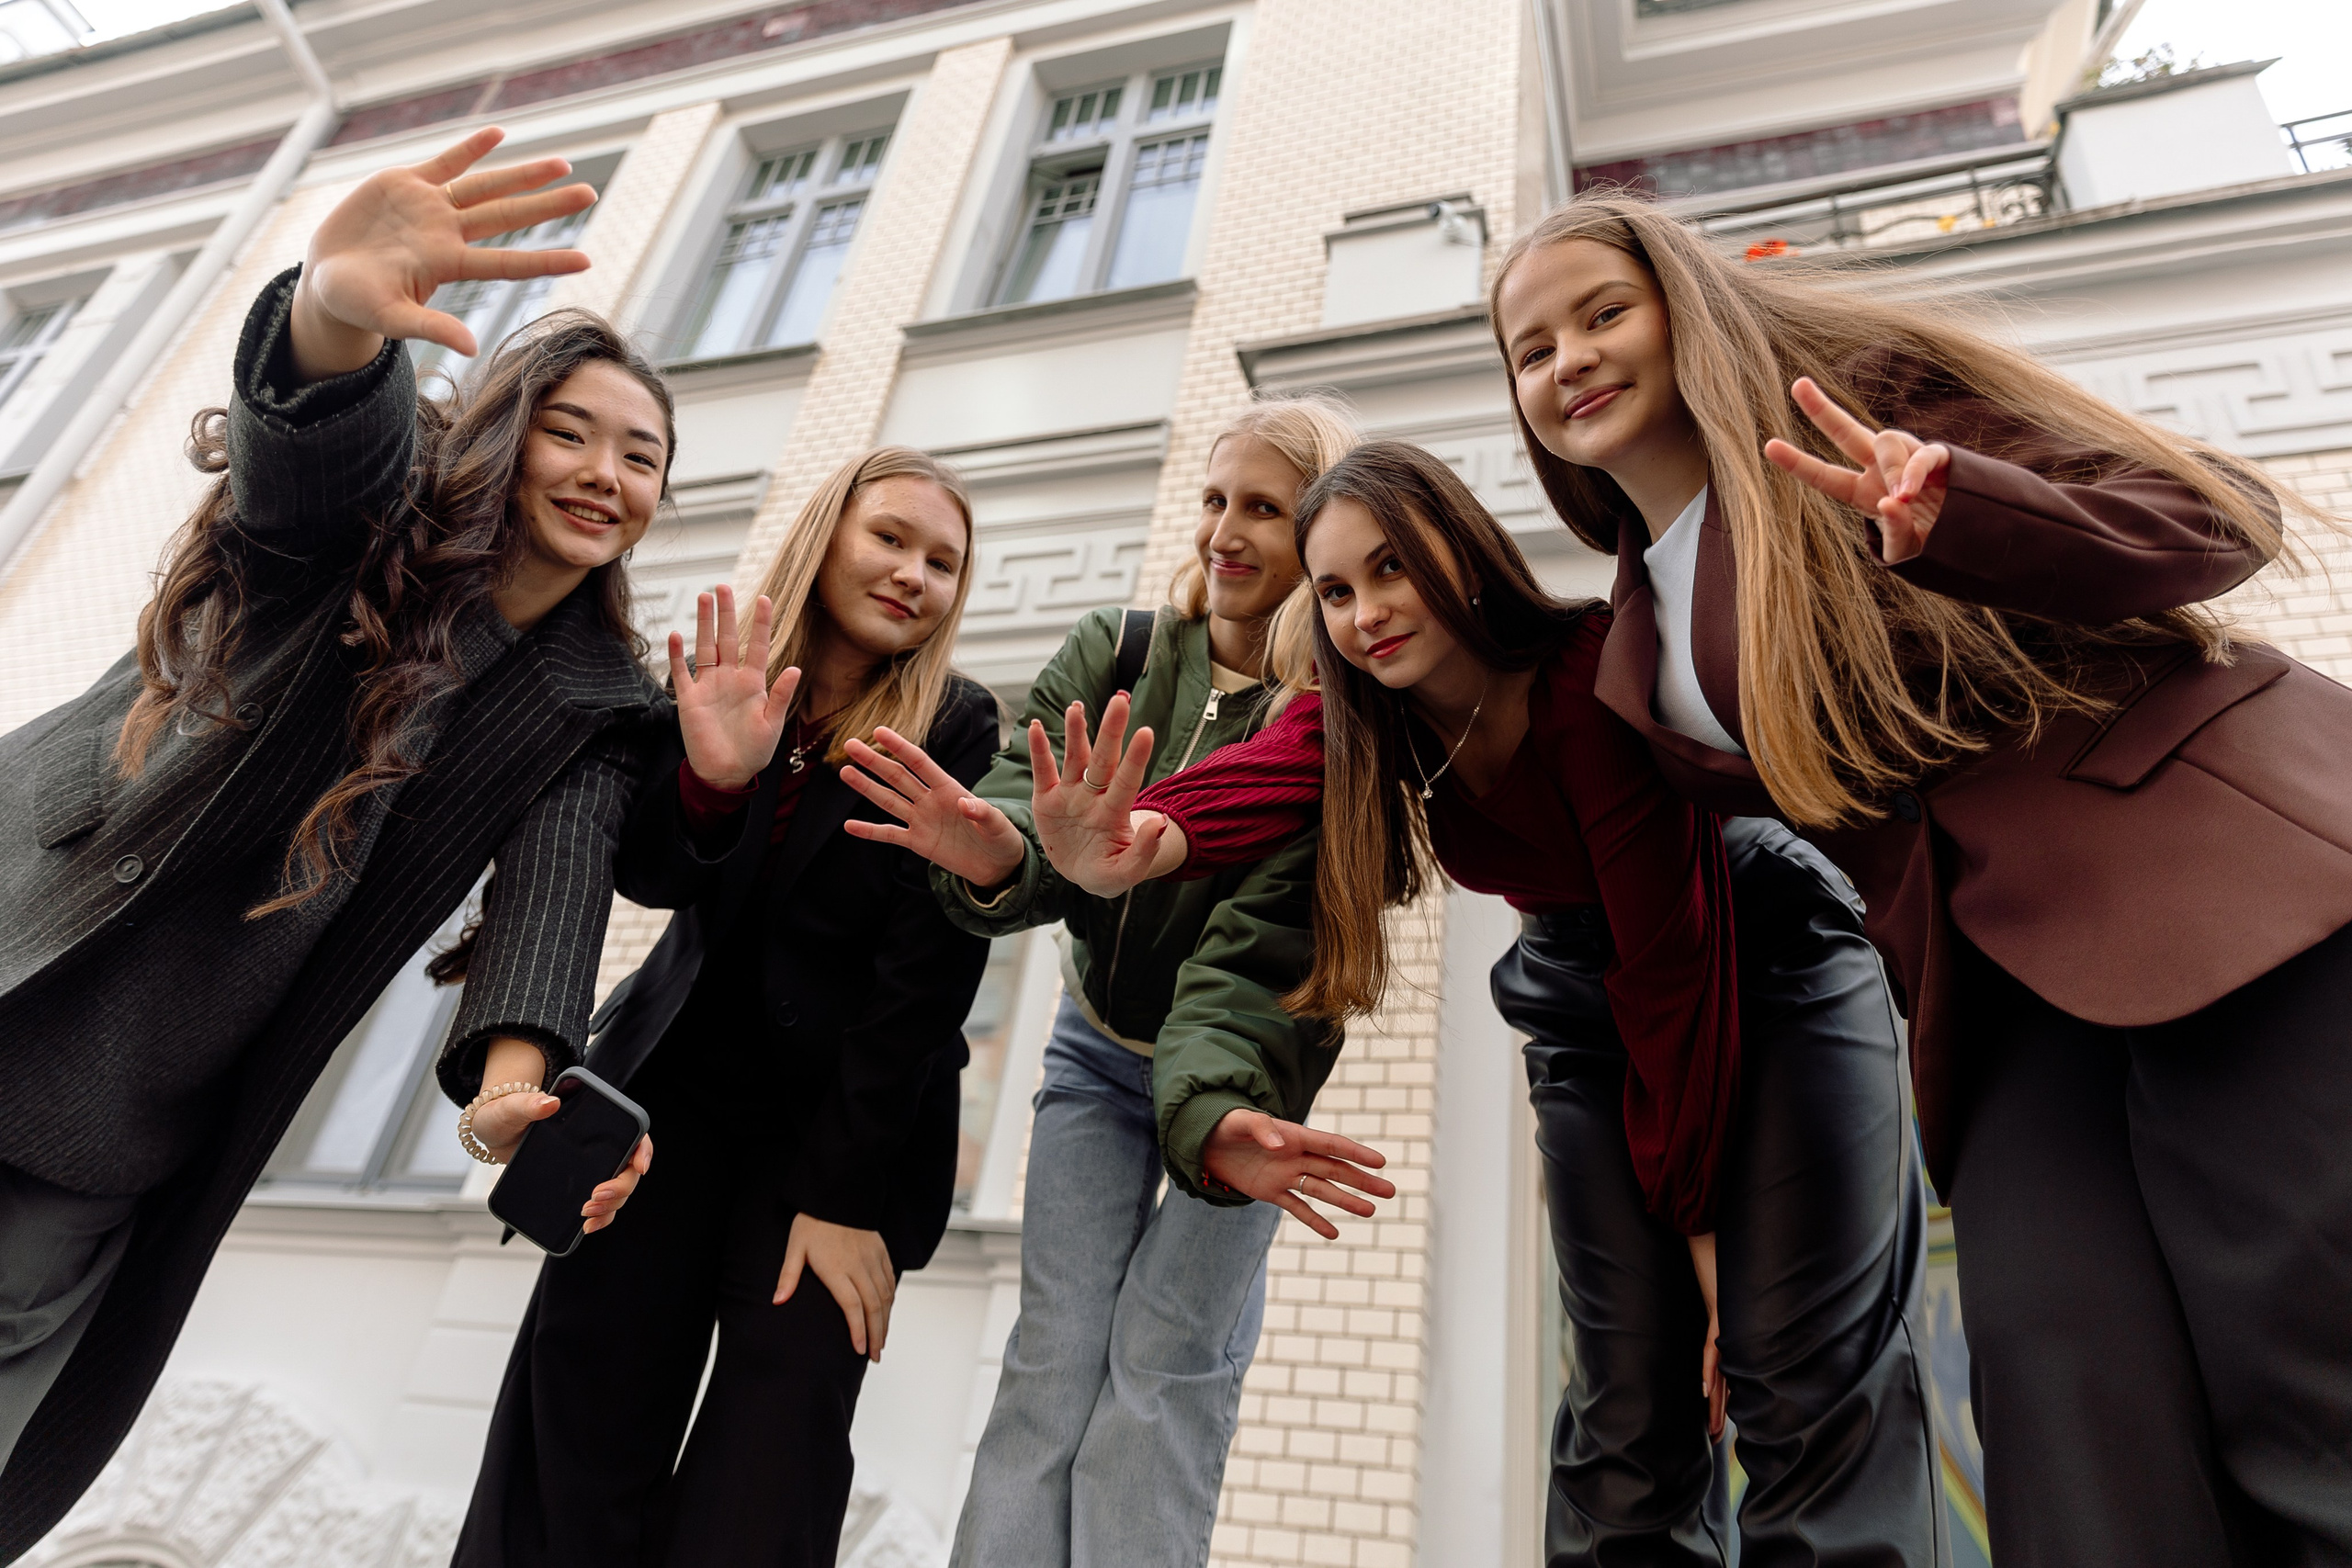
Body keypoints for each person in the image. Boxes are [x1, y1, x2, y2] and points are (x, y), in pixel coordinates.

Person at [1476, 191, 2352, 1564]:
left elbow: (2211, 516)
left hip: (2212, 879)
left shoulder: (1861, 408)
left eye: (1601, 314)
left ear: (1684, 310)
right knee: (2074, 1430)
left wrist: (1964, 514)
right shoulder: (1633, 647)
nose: (1568, 360)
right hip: (1994, 997)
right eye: (1531, 350)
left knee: (2308, 1387)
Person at [1048, 440, 1948, 1564]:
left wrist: (1703, 1231)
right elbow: (1269, 777)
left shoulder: (1585, 675)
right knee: (1627, 1407)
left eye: (1391, 567)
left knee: (1784, 1367)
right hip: (1578, 995)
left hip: (1756, 952)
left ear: (1462, 551)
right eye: (1336, 592)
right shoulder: (1378, 717)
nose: (1367, 612)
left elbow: (1670, 962)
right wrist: (1139, 838)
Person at [0, 126, 666, 1559]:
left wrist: (512, 1098)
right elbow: (308, 446)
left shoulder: (596, 705)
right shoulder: (376, 521)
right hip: (26, 926)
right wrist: (331, 313)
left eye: (642, 455)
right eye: (572, 430)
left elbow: (551, 902)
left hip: (112, 1114)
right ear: (507, 431)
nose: (605, 472)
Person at [831, 398, 1364, 1568]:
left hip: (1244, 1080)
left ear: (1322, 534)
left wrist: (1213, 1113)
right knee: (1054, 1360)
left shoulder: (1339, 725)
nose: (1222, 533)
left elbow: (1251, 953)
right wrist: (998, 856)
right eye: (1215, 500)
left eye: (1263, 510)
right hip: (1094, 1054)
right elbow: (1026, 819)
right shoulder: (1119, 651)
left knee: (1164, 1372)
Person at [450, 446, 1000, 1568]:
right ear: (826, 540)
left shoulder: (954, 722)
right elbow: (652, 875)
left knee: (767, 1475)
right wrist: (714, 779)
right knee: (576, 1438)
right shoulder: (724, 671)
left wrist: (842, 1197)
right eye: (890, 538)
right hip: (664, 1114)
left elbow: (926, 978)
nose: (914, 574)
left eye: (943, 562)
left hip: (839, 1144)